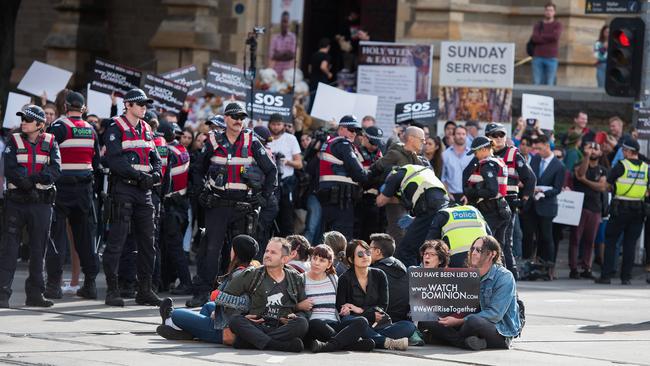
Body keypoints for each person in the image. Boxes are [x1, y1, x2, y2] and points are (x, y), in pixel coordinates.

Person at [188, 102, 277, 307]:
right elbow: (197, 169)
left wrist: (263, 197)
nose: (239, 120)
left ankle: (237, 293)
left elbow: (271, 171)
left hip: (243, 206)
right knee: (211, 250)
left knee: (241, 252)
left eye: (242, 117)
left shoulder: (252, 141)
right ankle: (203, 293)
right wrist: (201, 192)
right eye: (234, 116)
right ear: (225, 118)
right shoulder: (213, 140)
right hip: (217, 205)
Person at [102, 88, 163, 307]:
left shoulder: (146, 128)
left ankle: (144, 289)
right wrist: (140, 176)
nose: (144, 107)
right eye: (140, 104)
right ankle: (112, 289)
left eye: (146, 104)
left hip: (144, 191)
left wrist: (155, 174)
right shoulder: (115, 127)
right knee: (117, 241)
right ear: (127, 105)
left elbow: (156, 158)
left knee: (148, 242)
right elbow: (115, 160)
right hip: (124, 189)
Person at [0, 105, 61, 308]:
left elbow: (55, 170)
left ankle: (35, 294)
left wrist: (32, 179)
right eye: (23, 118)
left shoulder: (51, 142)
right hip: (16, 201)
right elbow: (10, 167)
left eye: (27, 119)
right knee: (9, 250)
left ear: (40, 124)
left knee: (38, 249)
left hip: (41, 202)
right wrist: (26, 184)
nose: (23, 121)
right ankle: (2, 295)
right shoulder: (13, 140)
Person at [42, 92, 101, 300]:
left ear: (66, 106)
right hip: (84, 189)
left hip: (61, 188)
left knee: (57, 237)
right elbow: (96, 162)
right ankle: (90, 284)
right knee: (84, 237)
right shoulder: (91, 130)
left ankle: (53, 286)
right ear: (83, 109)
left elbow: (45, 153)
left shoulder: (59, 127)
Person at [419, 236, 521, 350]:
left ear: (492, 254)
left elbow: (495, 314)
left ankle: (447, 339)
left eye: (479, 250)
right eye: (473, 249)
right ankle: (467, 342)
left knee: (473, 321)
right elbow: (459, 305)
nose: (473, 253)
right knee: (426, 318)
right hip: (466, 325)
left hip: (498, 329)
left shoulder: (504, 277)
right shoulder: (469, 274)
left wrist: (459, 321)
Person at [156, 235, 259, 343]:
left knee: (177, 314)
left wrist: (218, 296)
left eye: (232, 248)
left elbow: (244, 304)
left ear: (236, 253)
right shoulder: (250, 269)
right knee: (208, 306)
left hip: (226, 329)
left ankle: (169, 322)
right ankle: (190, 332)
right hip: (231, 320)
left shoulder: (240, 275)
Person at [224, 237, 309, 353]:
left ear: (284, 259)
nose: (267, 255)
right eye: (267, 251)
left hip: (281, 327)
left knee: (302, 323)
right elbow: (224, 297)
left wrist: (295, 316)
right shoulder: (252, 274)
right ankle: (277, 345)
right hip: (257, 324)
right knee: (235, 320)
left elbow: (304, 309)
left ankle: (251, 341)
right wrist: (242, 314)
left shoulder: (295, 278)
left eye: (273, 252)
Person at [336, 240, 416, 350]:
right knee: (354, 321)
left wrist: (359, 310)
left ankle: (368, 339)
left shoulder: (379, 274)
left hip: (377, 325)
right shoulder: (344, 279)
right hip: (356, 323)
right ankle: (386, 342)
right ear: (351, 259)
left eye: (368, 252)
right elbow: (342, 309)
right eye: (360, 254)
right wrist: (367, 314)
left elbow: (383, 305)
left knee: (409, 326)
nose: (365, 256)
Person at [302, 245, 375, 353]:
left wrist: (345, 308)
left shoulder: (333, 278)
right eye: (314, 258)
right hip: (315, 326)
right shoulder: (301, 279)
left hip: (335, 324)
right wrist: (300, 305)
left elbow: (341, 303)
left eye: (322, 260)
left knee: (362, 321)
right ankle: (349, 344)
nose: (316, 263)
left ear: (329, 264)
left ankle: (328, 346)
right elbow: (294, 304)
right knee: (316, 323)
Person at [486, 122, 535, 278]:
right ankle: (491, 275)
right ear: (488, 137)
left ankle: (509, 279)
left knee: (505, 243)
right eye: (495, 135)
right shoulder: (484, 154)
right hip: (487, 206)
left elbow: (530, 179)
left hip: (507, 205)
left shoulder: (513, 154)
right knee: (488, 241)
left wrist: (524, 199)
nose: (499, 138)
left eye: (502, 135)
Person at [596, 138, 648, 285]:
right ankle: (626, 278)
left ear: (629, 151)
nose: (623, 152)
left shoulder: (621, 166)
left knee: (611, 241)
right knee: (630, 244)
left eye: (625, 150)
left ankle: (606, 276)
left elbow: (606, 185)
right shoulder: (645, 167)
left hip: (620, 209)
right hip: (638, 209)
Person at [377, 164, 449, 267]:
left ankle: (411, 281)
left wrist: (385, 190)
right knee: (428, 247)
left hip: (428, 209)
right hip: (443, 206)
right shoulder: (419, 169)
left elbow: (381, 201)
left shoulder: (395, 176)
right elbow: (426, 193)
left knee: (406, 249)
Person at [368, 126, 428, 246]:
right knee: (399, 238)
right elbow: (374, 170)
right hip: (394, 203)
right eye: (422, 139)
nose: (424, 142)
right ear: (411, 138)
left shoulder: (417, 159)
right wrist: (386, 191)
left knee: (406, 237)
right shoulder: (394, 154)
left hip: (410, 206)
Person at [521, 134, 565, 278]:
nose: (537, 151)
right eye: (536, 149)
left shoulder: (558, 166)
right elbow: (529, 178)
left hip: (546, 205)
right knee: (528, 234)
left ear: (547, 146)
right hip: (531, 204)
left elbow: (557, 188)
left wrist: (544, 192)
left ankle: (548, 267)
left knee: (546, 237)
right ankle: (527, 264)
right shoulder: (535, 160)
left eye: (540, 148)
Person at [317, 115, 368, 239]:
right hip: (341, 199)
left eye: (356, 131)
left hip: (328, 197)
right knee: (342, 238)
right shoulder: (343, 143)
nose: (354, 133)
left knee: (328, 237)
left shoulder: (328, 142)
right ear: (341, 128)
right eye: (351, 130)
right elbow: (359, 173)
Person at [463, 137, 512, 262]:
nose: (475, 155)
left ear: (484, 149)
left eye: (476, 152)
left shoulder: (487, 165)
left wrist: (471, 192)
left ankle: (491, 278)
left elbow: (492, 190)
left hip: (491, 211)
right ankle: (504, 278)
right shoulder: (499, 161)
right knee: (499, 248)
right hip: (502, 208)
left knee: (487, 247)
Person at [158, 121, 193, 295]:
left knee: (173, 247)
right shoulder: (183, 150)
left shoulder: (167, 152)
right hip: (182, 204)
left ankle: (185, 282)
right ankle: (166, 282)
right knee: (170, 246)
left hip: (171, 205)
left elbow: (164, 178)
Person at [570, 141, 607, 279]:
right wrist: (586, 156)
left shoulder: (603, 169)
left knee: (590, 241)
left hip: (595, 208)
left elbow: (602, 187)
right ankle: (573, 268)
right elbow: (580, 173)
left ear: (601, 153)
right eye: (590, 148)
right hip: (579, 207)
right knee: (575, 239)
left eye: (596, 149)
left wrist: (585, 181)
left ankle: (587, 267)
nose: (593, 151)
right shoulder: (579, 164)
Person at [268, 113, 302, 236]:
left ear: (283, 125)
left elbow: (299, 164)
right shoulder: (265, 138)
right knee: (269, 217)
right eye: (273, 124)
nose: (276, 127)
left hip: (287, 183)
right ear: (269, 124)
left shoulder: (290, 138)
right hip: (270, 183)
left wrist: (287, 162)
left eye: (278, 124)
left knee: (287, 218)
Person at [368, 233, 409, 322]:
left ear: (378, 252)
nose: (367, 252)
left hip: (381, 320)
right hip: (402, 319)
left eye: (369, 248)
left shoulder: (374, 272)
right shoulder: (402, 267)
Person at [355, 126, 384, 241]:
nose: (375, 146)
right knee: (357, 233)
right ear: (364, 138)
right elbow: (361, 178)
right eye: (372, 142)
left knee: (372, 233)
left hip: (375, 200)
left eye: (377, 143)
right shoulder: (355, 151)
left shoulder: (380, 154)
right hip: (359, 198)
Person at [530, 2, 563, 85]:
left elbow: (555, 37)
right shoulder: (538, 25)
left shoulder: (557, 25)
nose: (549, 12)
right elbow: (535, 38)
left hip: (551, 58)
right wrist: (549, 37)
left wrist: (541, 36)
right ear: (544, 12)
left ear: (554, 12)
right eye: (547, 10)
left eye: (551, 10)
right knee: (536, 82)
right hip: (538, 57)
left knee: (550, 83)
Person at [441, 126, 473, 205]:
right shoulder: (445, 155)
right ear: (453, 135)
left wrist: (469, 194)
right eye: (458, 134)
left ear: (466, 136)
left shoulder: (472, 155)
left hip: (468, 196)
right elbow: (443, 177)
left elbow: (474, 176)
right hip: (451, 196)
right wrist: (448, 193)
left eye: (463, 134)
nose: (461, 136)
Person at [268, 11, 297, 80]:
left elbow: (292, 55)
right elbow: (272, 55)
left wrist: (278, 54)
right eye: (283, 21)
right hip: (276, 72)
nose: (284, 24)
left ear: (289, 23)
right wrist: (286, 53)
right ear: (280, 23)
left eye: (286, 22)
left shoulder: (292, 37)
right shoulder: (275, 38)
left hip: (288, 73)